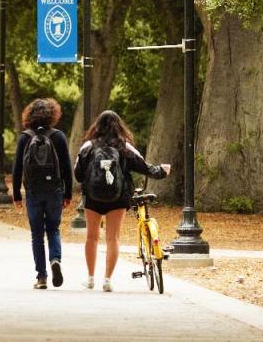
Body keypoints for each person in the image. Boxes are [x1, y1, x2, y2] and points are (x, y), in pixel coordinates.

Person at [74, 109, 170, 292]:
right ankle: (107, 280)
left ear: (97, 126)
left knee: (92, 237)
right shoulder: (125, 147)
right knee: (113, 238)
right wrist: (162, 171)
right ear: (119, 126)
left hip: (92, 198)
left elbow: (78, 174)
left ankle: (90, 278)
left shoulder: (88, 146)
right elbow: (144, 167)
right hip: (118, 197)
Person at [12, 98, 74, 289]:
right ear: (52, 115)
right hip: (54, 190)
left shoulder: (25, 137)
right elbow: (66, 167)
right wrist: (68, 193)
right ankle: (55, 260)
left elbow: (17, 169)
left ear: (29, 115)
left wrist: (16, 195)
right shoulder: (58, 136)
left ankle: (41, 277)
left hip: (33, 191)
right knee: (53, 229)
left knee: (36, 234)